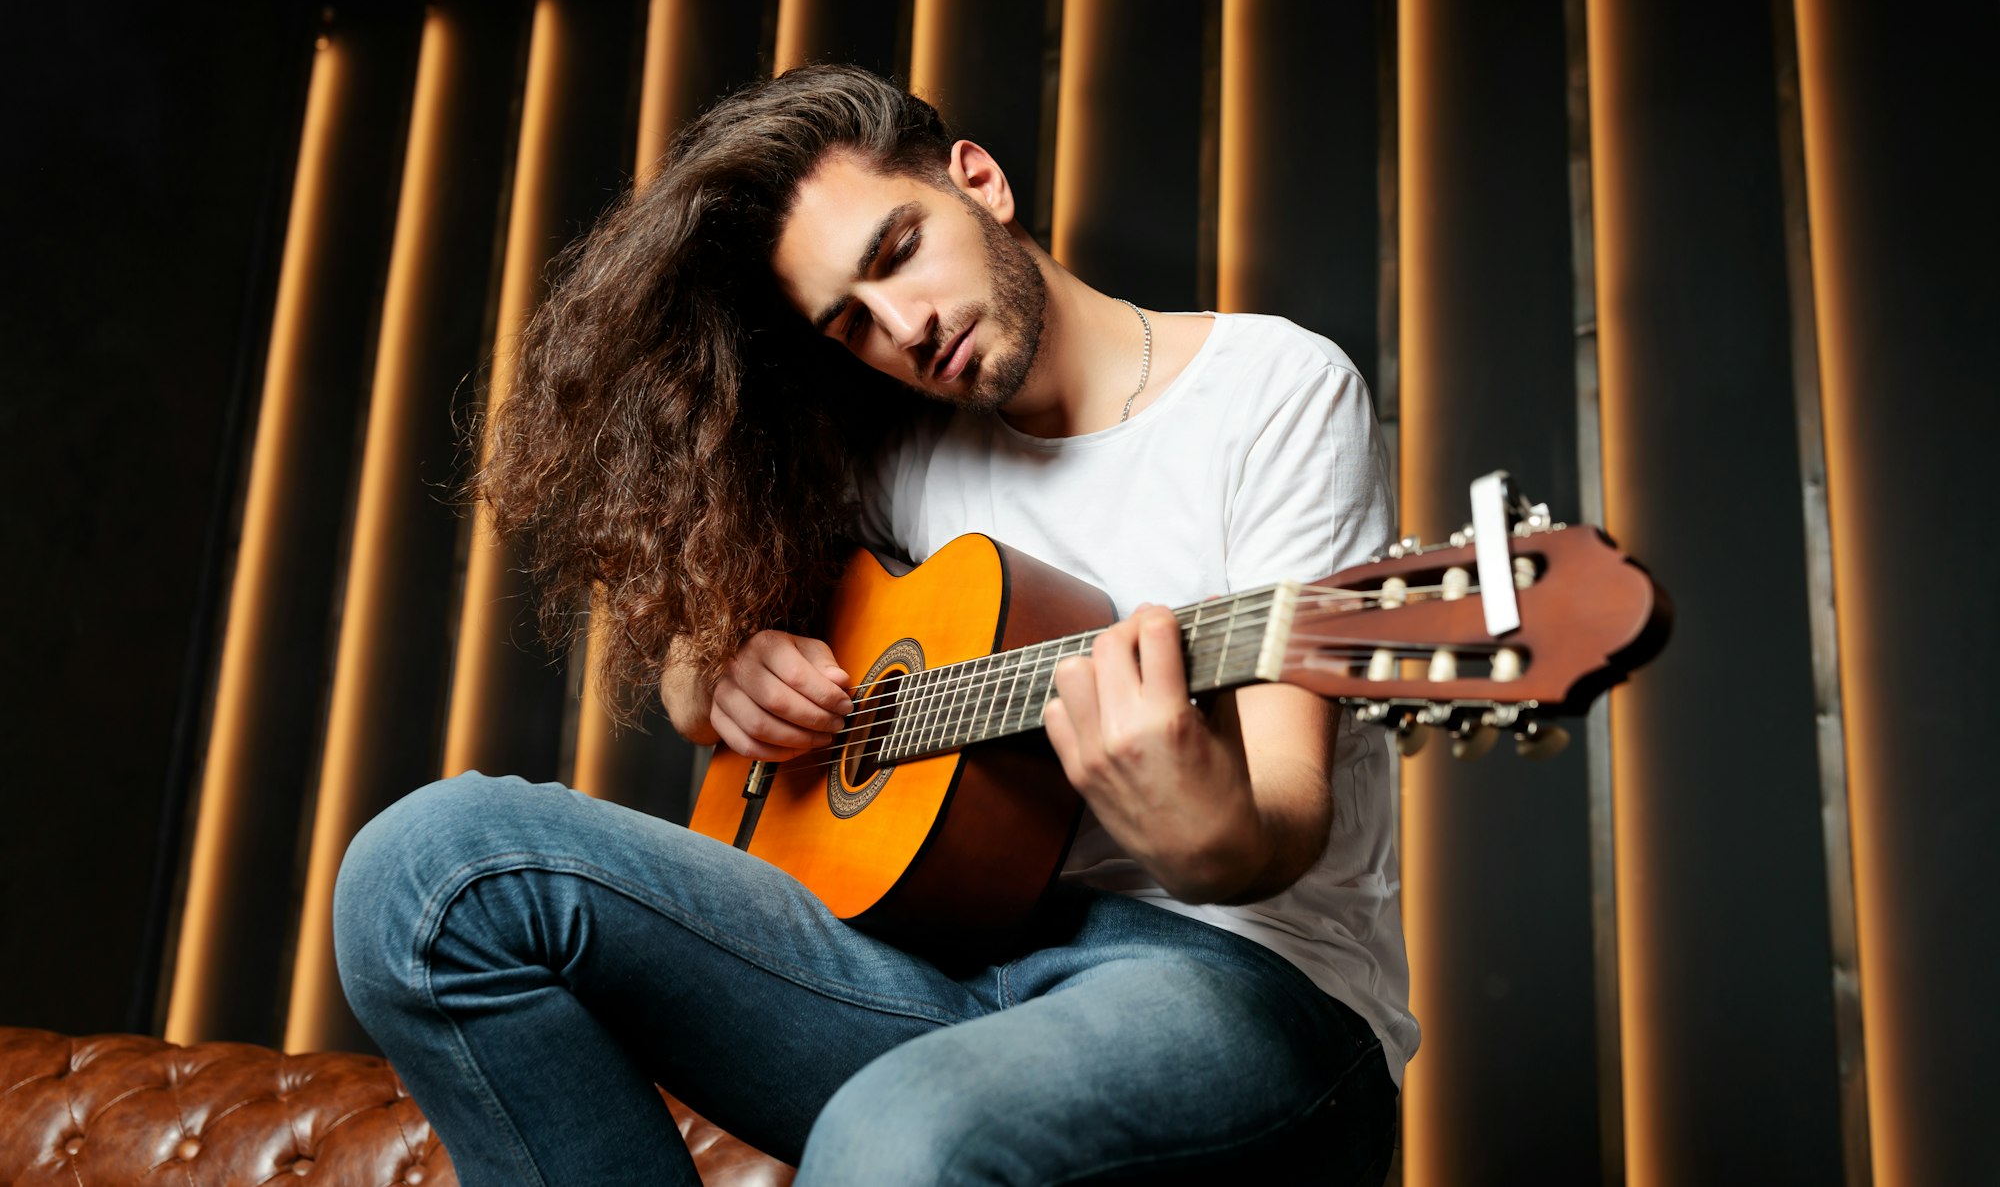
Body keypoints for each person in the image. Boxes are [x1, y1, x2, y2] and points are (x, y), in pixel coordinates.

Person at [334, 63, 1415, 1185]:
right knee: (425, 871)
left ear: (978, 181)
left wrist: (1199, 829)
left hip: (1246, 985)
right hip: (945, 971)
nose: (902, 326)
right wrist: (727, 674)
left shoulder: (1269, 389)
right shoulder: (894, 448)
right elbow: (688, 664)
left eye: (897, 251)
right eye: (848, 320)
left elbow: (1284, 814)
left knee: (898, 1134)